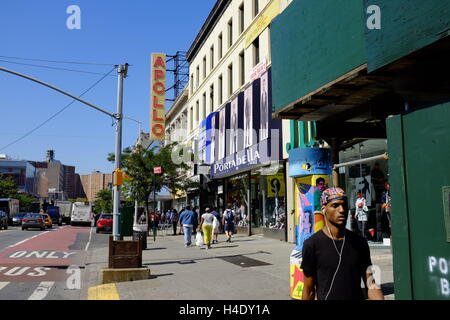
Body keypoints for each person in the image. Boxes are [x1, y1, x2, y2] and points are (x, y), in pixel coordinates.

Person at [301, 188, 384, 300]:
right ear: (324, 209)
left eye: (344, 205)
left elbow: (371, 284)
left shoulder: (360, 243)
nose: (342, 210)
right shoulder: (312, 245)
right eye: (335, 206)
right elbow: (309, 291)